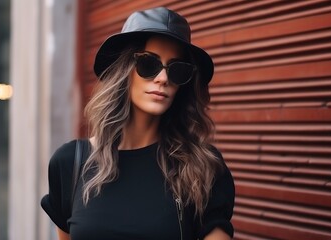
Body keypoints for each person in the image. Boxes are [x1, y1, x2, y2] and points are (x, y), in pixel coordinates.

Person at [41, 7, 235, 240]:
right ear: (124, 71)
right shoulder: (70, 163)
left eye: (177, 70)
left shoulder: (202, 167)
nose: (162, 78)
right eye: (148, 64)